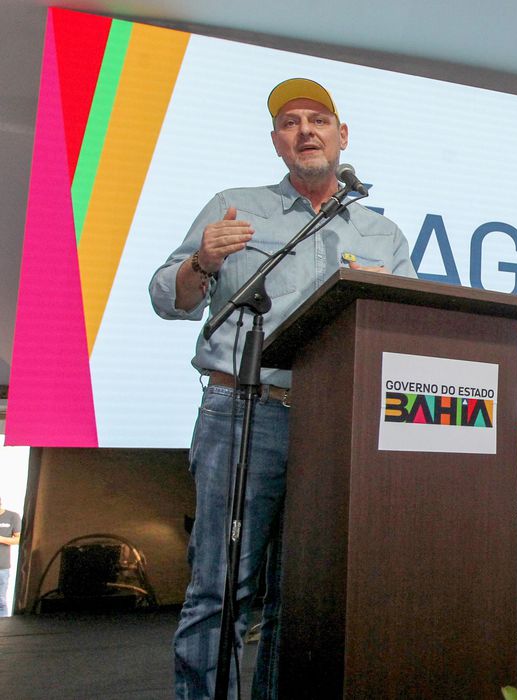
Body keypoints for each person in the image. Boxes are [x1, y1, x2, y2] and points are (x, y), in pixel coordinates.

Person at [148, 78, 417, 699]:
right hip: (243, 411)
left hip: (335, 423)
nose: (306, 130)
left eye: (318, 119)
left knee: (303, 593)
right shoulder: (236, 206)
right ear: (277, 142)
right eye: (291, 122)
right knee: (221, 585)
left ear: (341, 136)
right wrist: (202, 263)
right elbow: (169, 298)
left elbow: (408, 323)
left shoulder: (383, 234)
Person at [0, 499, 21, 617]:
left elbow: (19, 539)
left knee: (1, 601)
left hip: (2, 566)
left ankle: (3, 630)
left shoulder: (12, 516)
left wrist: (1, 539)